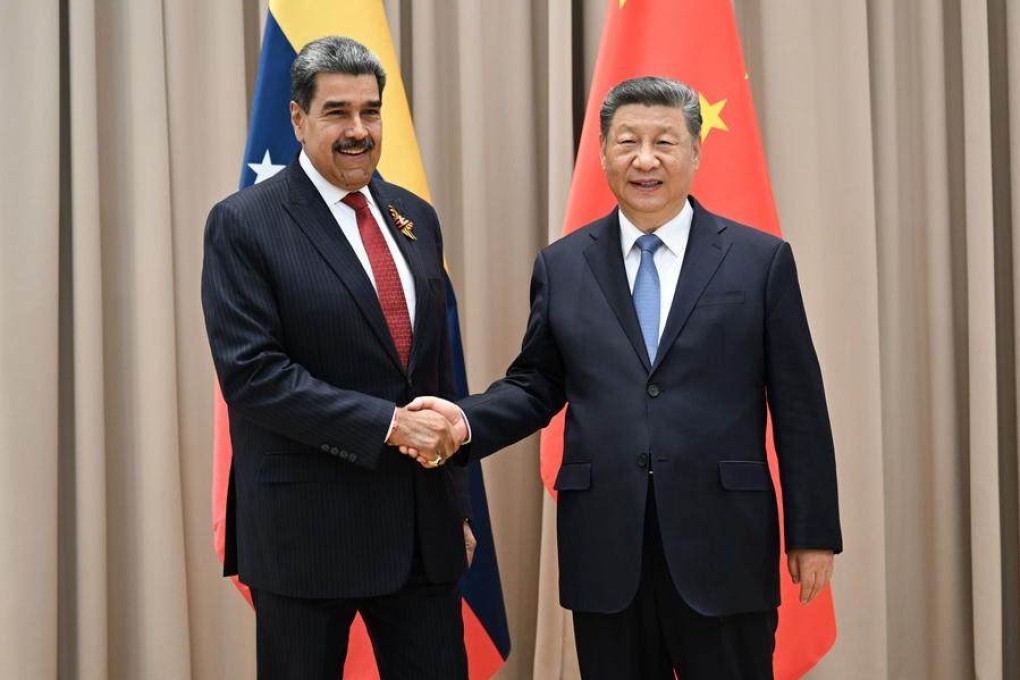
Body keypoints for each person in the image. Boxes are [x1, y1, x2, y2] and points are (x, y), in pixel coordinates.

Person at [406, 76, 842, 679]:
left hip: (725, 545)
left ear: (695, 151)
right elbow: (536, 384)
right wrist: (463, 419)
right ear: (604, 154)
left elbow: (799, 404)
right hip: (607, 548)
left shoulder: (759, 260)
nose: (645, 159)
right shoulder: (562, 266)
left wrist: (813, 530)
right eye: (627, 141)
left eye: (664, 141)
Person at [201, 36, 474, 679]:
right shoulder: (245, 222)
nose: (358, 130)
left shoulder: (415, 217)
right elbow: (253, 374)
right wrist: (390, 425)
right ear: (298, 119)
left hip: (419, 533)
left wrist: (454, 506)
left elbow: (437, 375)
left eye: (370, 112)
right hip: (307, 535)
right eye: (337, 112)